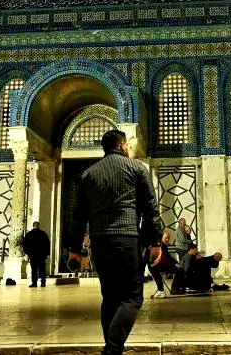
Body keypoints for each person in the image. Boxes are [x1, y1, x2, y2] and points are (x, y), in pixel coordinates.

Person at [66, 129, 164, 355]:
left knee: (110, 298)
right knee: (132, 298)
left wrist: (74, 250)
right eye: (127, 145)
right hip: (127, 240)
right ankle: (112, 350)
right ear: (122, 146)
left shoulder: (88, 175)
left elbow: (78, 216)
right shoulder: (136, 168)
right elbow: (151, 208)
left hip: (100, 244)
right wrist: (155, 242)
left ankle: (113, 350)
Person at [147, 231, 176, 298]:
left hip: (162, 265)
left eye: (168, 238)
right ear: (161, 237)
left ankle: (160, 290)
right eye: (166, 238)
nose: (167, 239)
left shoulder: (163, 245)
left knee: (153, 268)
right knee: (153, 268)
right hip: (161, 264)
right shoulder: (160, 245)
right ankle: (160, 290)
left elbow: (166, 257)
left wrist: (175, 262)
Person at [23, 221, 50, 288]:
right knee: (42, 268)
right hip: (41, 254)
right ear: (39, 226)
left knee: (34, 269)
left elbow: (25, 244)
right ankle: (43, 282)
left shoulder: (29, 234)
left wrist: (27, 252)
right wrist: (47, 253)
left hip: (32, 254)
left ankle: (34, 283)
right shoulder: (43, 234)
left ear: (33, 226)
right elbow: (47, 244)